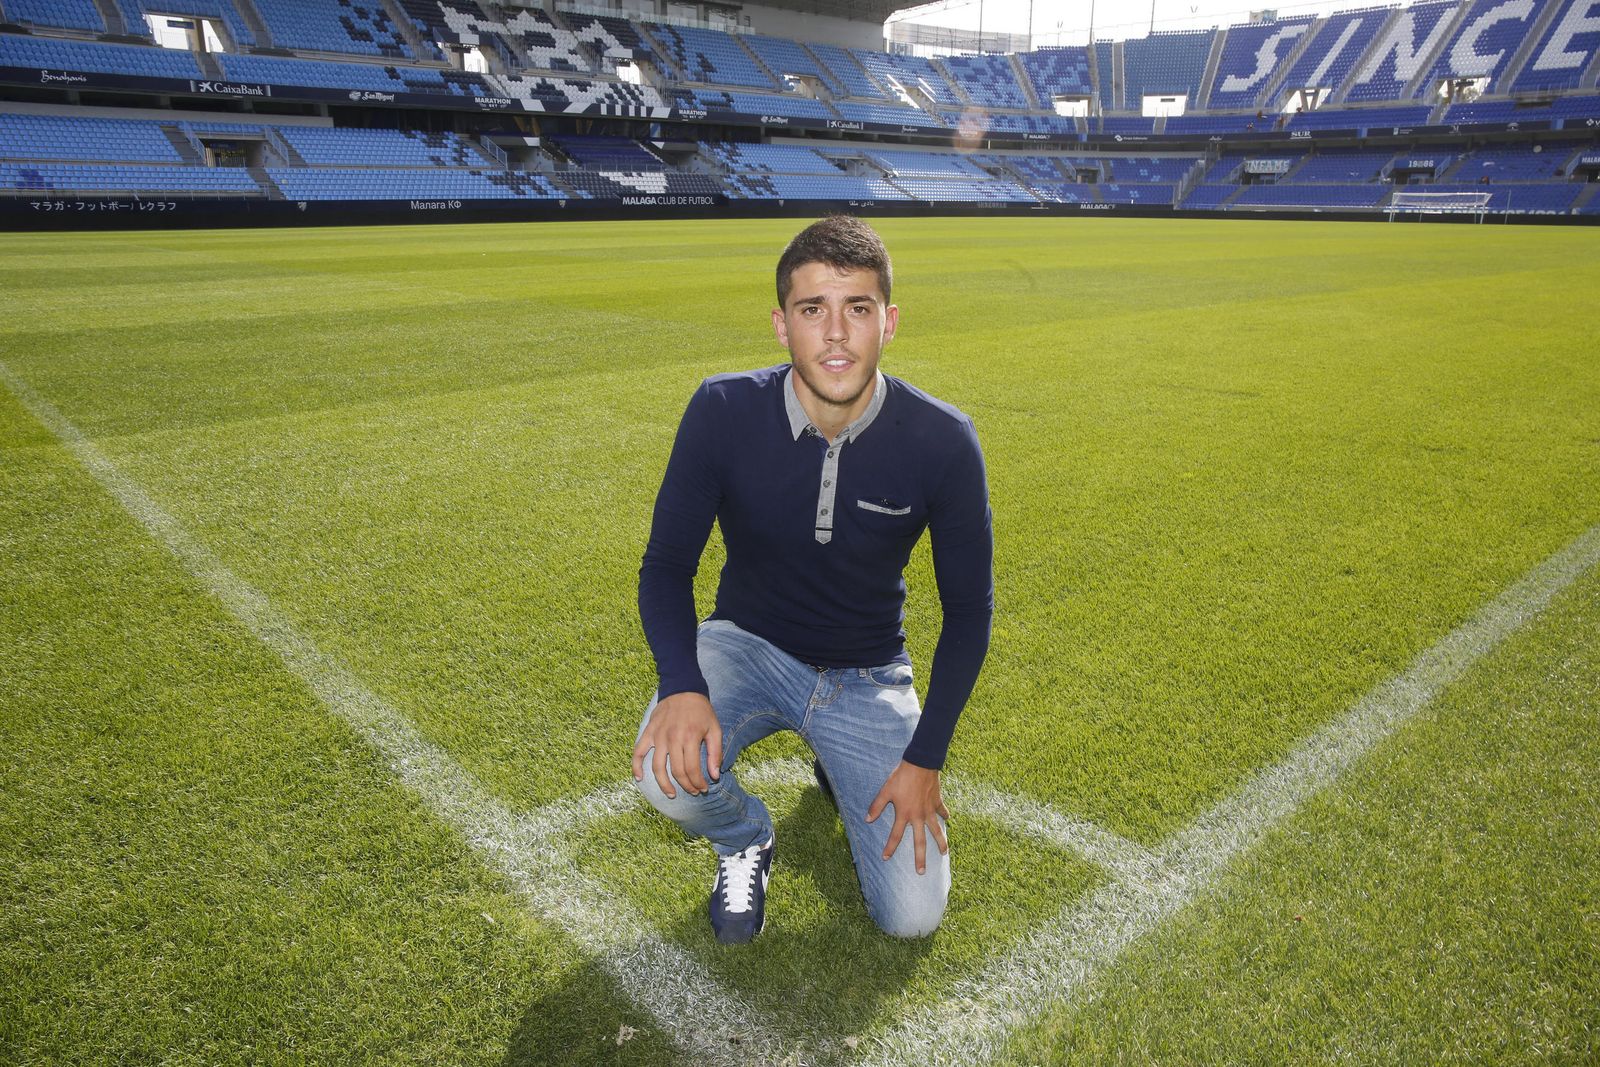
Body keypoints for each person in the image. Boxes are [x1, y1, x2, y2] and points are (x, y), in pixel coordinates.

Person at [632, 215, 994, 944]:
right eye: (812, 309)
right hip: (747, 646)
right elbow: (666, 567)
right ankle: (746, 836)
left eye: (857, 308)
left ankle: (839, 760)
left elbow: (968, 611)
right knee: (664, 774)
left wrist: (923, 758)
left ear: (888, 322)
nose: (835, 333)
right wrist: (682, 684)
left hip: (868, 675)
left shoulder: (943, 440)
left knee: (912, 917)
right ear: (781, 324)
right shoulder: (723, 410)